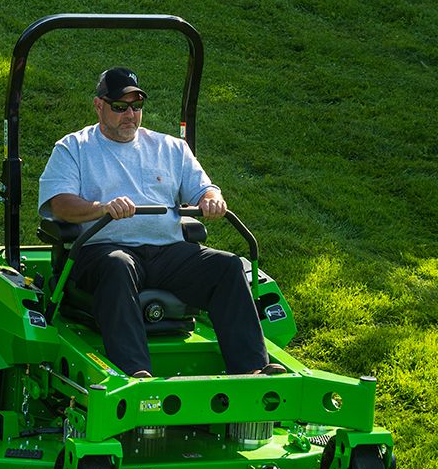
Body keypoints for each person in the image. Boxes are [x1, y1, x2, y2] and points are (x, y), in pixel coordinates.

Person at [37, 66, 286, 379]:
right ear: (99, 105)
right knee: (118, 265)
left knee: (228, 267)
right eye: (120, 106)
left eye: (136, 106)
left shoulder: (170, 148)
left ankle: (252, 369)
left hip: (166, 251)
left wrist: (211, 198)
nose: (130, 114)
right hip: (102, 250)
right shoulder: (74, 148)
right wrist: (102, 208)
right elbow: (59, 204)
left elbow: (203, 188)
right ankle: (135, 373)